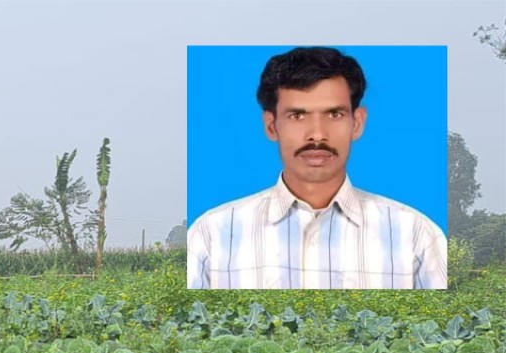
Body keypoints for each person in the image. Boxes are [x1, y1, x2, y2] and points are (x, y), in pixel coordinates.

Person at [187, 47, 447, 290]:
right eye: (297, 116)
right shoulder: (211, 236)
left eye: (334, 114)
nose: (317, 135)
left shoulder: (416, 236)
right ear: (271, 126)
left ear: (357, 123)